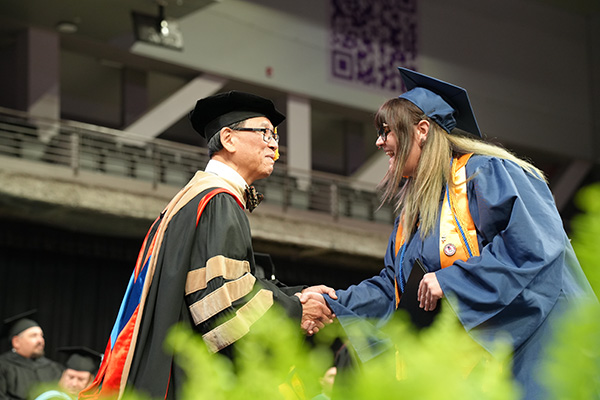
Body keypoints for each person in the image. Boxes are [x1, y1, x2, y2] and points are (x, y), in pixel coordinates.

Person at [321, 68, 596, 399]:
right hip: (475, 368)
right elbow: (395, 288)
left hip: (539, 349)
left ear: (422, 130)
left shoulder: (487, 173)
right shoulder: (415, 213)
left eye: (386, 130)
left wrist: (451, 281)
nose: (379, 141)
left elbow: (533, 244)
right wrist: (332, 302)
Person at [79, 91, 336, 400]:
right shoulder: (217, 201)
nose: (274, 144)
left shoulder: (195, 198)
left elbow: (228, 287)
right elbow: (220, 301)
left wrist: (296, 295)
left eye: (276, 136)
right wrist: (297, 310)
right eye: (265, 133)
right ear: (228, 139)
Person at [0, 311, 63, 400]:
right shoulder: (3, 366)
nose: (40, 340)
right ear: (16, 342)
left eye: (41, 336)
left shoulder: (54, 368)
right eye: (34, 336)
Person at [35, 347, 102, 400]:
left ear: (90, 382)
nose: (74, 384)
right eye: (71, 377)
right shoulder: (49, 397)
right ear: (63, 376)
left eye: (81, 379)